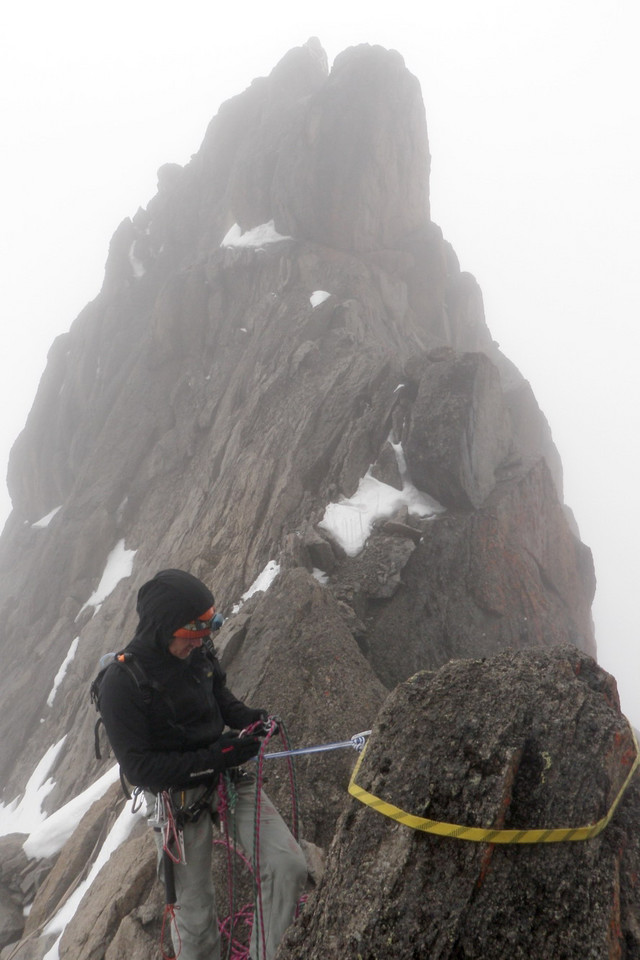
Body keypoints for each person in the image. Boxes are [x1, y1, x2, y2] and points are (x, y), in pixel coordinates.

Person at [99, 568, 307, 960]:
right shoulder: (121, 683)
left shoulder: (197, 651)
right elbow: (140, 769)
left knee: (287, 866)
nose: (197, 646)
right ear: (162, 628)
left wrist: (249, 718)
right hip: (179, 800)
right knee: (194, 926)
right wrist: (217, 756)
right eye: (190, 638)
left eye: (203, 638)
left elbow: (218, 695)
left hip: (224, 773)